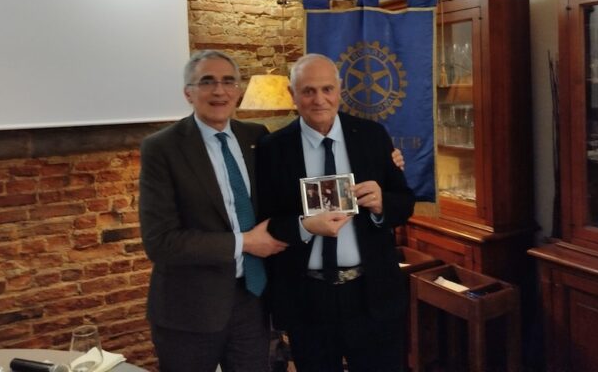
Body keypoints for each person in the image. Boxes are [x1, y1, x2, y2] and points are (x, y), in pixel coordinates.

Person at [256, 53, 416, 372]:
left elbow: (404, 202)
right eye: (308, 91)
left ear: (339, 90)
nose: (319, 100)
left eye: (327, 89)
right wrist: (304, 226)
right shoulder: (272, 148)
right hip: (308, 298)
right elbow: (266, 221)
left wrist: (382, 204)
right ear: (292, 94)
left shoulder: (372, 136)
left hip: (371, 292)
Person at [139, 50, 288, 372]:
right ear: (188, 93)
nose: (219, 91)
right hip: (189, 310)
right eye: (207, 82)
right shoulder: (161, 148)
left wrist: (379, 162)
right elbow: (160, 242)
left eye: (228, 81)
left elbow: (293, 181)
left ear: (238, 90)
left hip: (252, 300)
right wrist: (245, 243)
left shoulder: (257, 136)